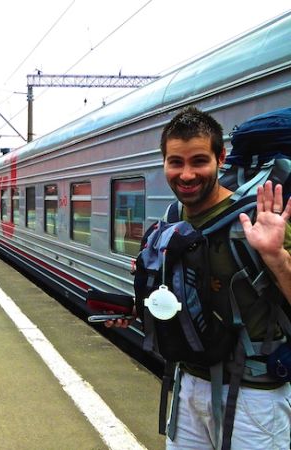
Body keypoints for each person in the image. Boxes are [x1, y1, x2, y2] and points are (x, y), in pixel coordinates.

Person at [108, 106, 291, 449]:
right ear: (164, 163)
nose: (187, 174)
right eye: (176, 162)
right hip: (189, 383)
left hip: (255, 396)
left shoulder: (260, 217)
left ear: (220, 158)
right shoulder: (172, 218)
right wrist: (139, 310)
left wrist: (276, 256)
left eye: (199, 161)